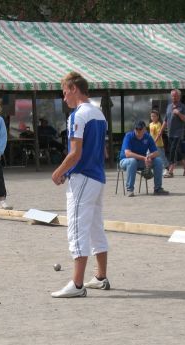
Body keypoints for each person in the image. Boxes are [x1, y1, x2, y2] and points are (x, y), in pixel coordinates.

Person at [51, 71, 110, 298]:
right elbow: (101, 151)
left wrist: (59, 171)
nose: (64, 97)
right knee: (96, 227)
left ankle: (77, 284)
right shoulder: (100, 114)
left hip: (83, 178)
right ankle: (100, 276)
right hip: (97, 177)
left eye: (65, 92)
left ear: (74, 89)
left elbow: (75, 153)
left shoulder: (78, 115)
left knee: (77, 228)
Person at [119, 120, 169, 197]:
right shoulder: (128, 136)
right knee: (132, 161)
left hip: (141, 161)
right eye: (136, 129)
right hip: (125, 161)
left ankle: (158, 189)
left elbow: (156, 152)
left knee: (158, 161)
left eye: (140, 129)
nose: (138, 131)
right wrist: (143, 158)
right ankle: (130, 190)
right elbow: (128, 154)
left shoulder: (148, 137)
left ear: (145, 130)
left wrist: (149, 157)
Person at [161, 89, 185, 178]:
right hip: (170, 132)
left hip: (178, 133)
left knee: (173, 151)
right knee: (176, 152)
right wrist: (160, 132)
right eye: (173, 96)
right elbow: (165, 120)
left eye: (176, 96)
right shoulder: (169, 106)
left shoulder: (183, 107)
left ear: (179, 96)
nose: (174, 97)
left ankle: (170, 171)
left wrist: (179, 113)